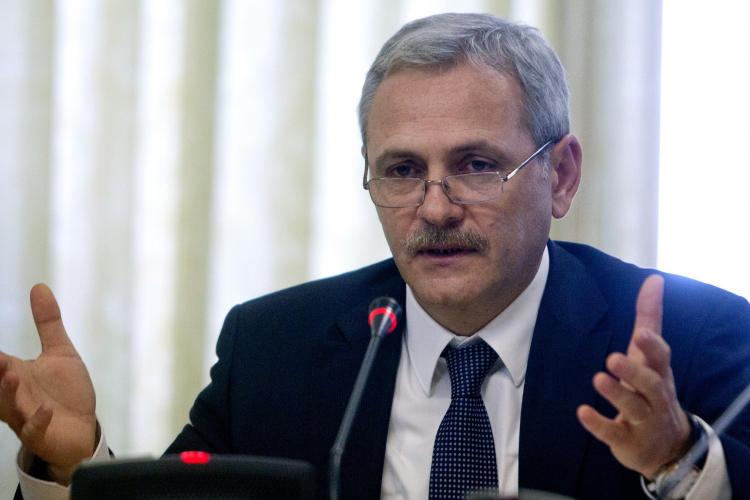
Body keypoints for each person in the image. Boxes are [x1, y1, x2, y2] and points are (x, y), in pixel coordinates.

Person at [2, 12, 749, 500]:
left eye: (476, 165)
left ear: (560, 176)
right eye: (401, 170)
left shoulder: (691, 341)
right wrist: (70, 464)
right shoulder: (277, 349)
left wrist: (678, 459)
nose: (435, 208)